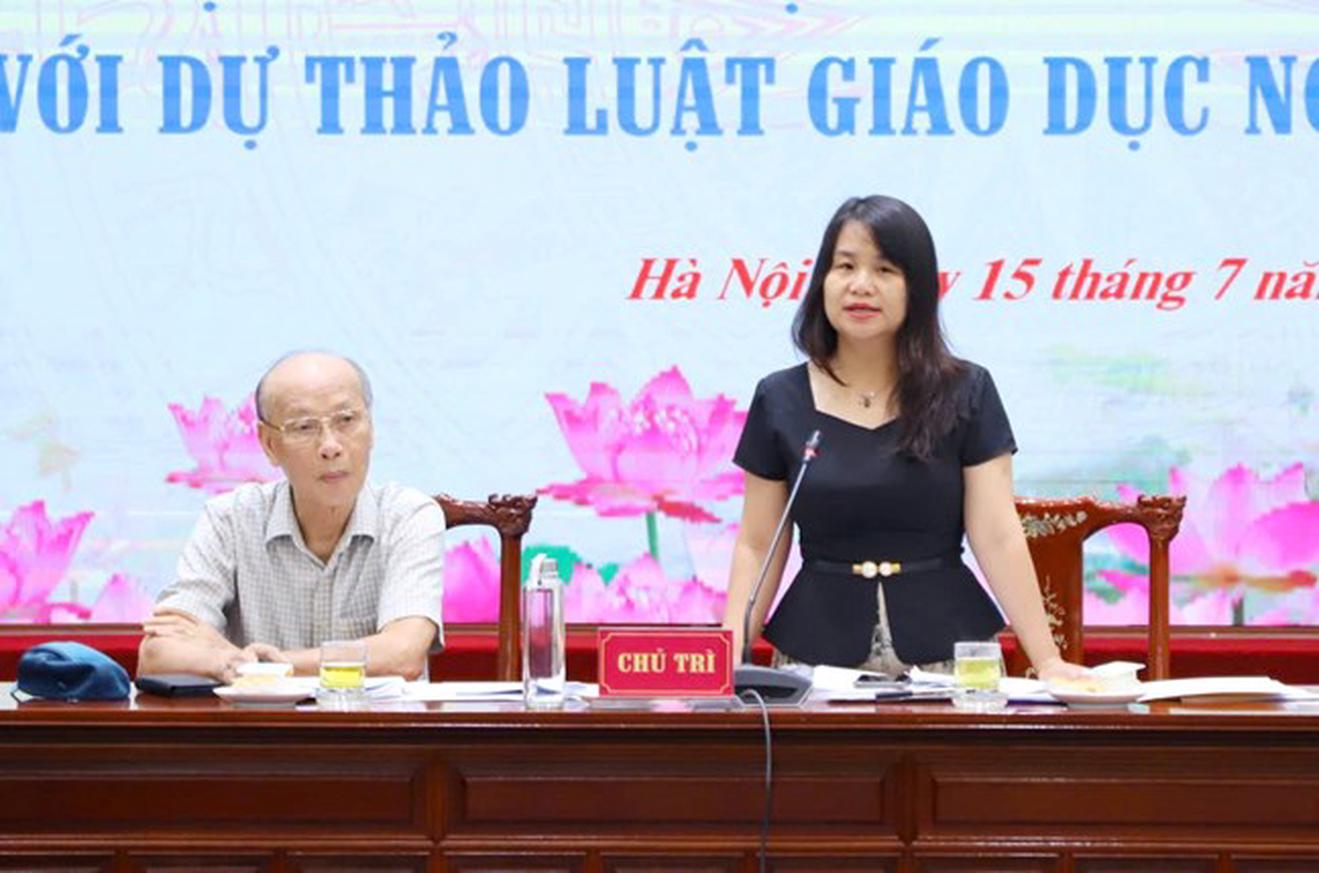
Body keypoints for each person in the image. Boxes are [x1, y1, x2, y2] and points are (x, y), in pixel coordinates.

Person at [722, 196, 1086, 682]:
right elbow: (756, 543)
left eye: (885, 270)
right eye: (845, 266)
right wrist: (725, 661)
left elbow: (997, 534)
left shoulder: (967, 391)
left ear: (917, 288)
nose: (860, 285)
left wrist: (1047, 660)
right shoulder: (780, 398)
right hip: (817, 655)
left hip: (949, 653)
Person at [138, 351, 445, 683]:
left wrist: (265, 665)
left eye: (346, 420)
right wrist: (227, 662)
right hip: (263, 719)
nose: (330, 446)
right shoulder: (230, 519)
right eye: (304, 427)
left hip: (376, 718)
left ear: (370, 429)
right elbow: (157, 653)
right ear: (269, 444)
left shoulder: (409, 516)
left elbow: (402, 655)